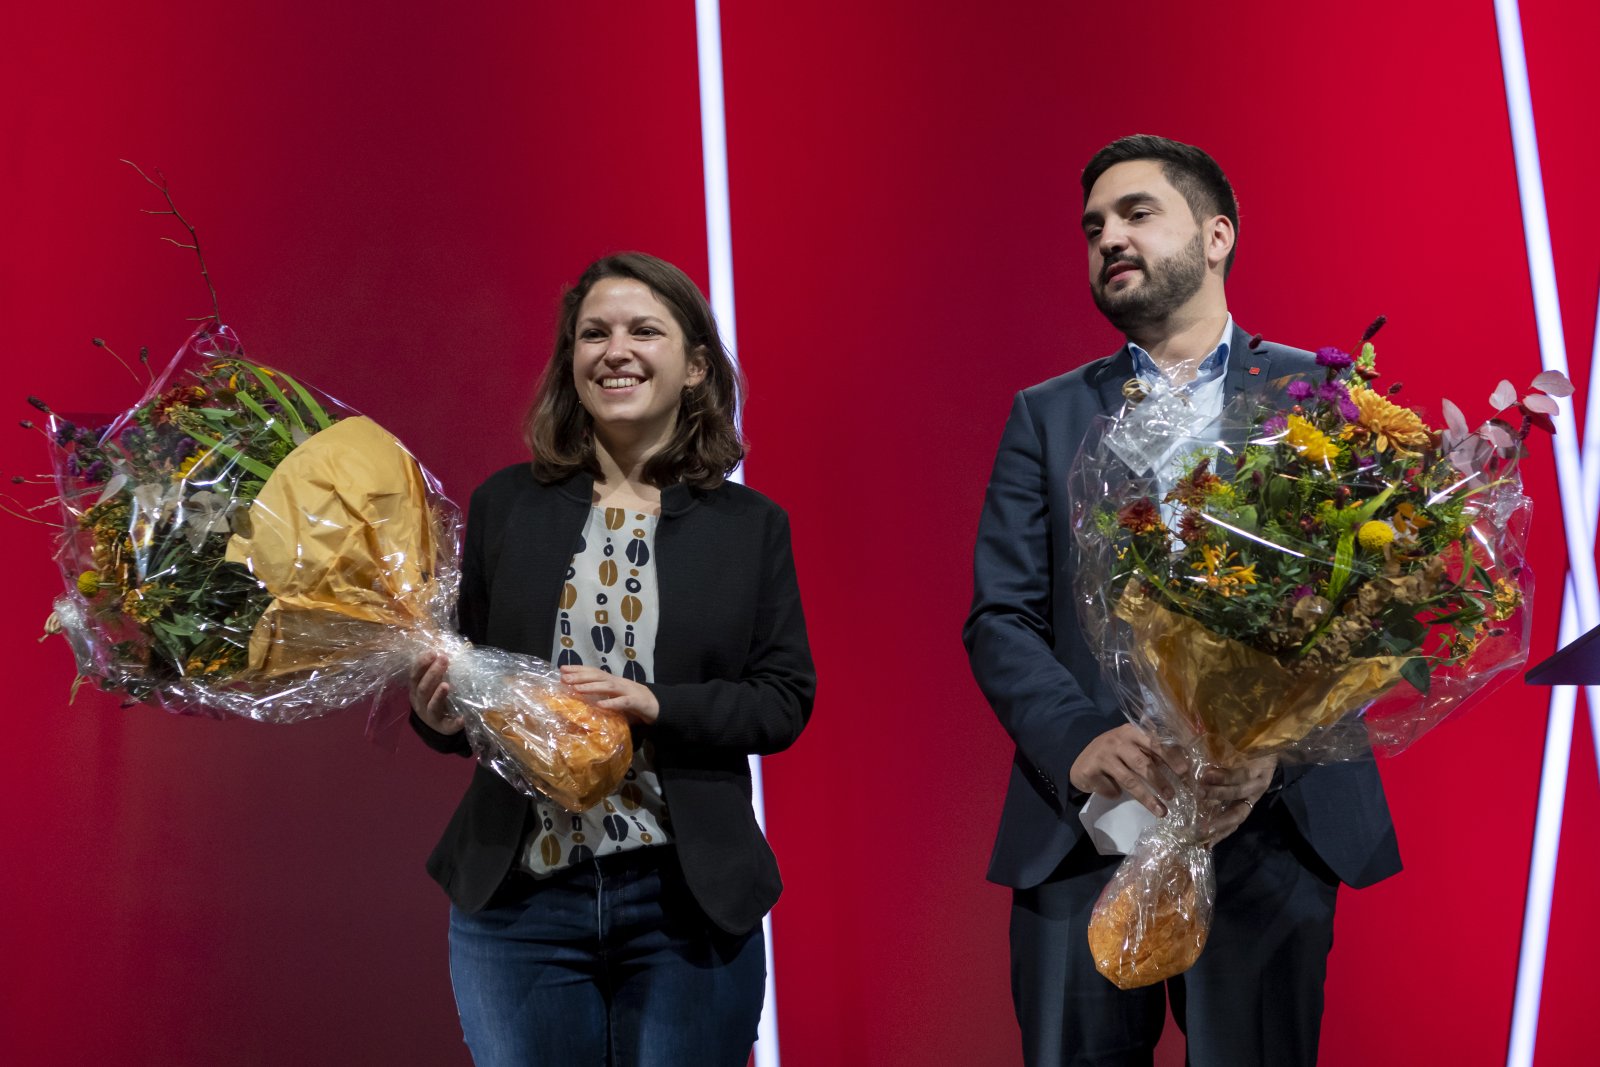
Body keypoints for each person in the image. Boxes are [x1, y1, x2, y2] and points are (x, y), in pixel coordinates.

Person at [963, 135, 1401, 1067]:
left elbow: (1372, 608)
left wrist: (1268, 750)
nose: (1108, 238)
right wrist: (1081, 739)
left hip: (1268, 827)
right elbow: (1000, 615)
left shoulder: (1317, 396)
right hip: (1086, 829)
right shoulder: (1046, 414)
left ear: (1216, 236)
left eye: (1135, 214)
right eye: (1093, 228)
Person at [409, 252, 815, 1067]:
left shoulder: (749, 525)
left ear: (696, 366)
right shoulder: (503, 506)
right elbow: (472, 691)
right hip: (520, 903)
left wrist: (655, 704)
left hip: (685, 902)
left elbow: (782, 700)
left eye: (643, 330)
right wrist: (439, 713)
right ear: (571, 364)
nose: (614, 350)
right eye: (592, 333)